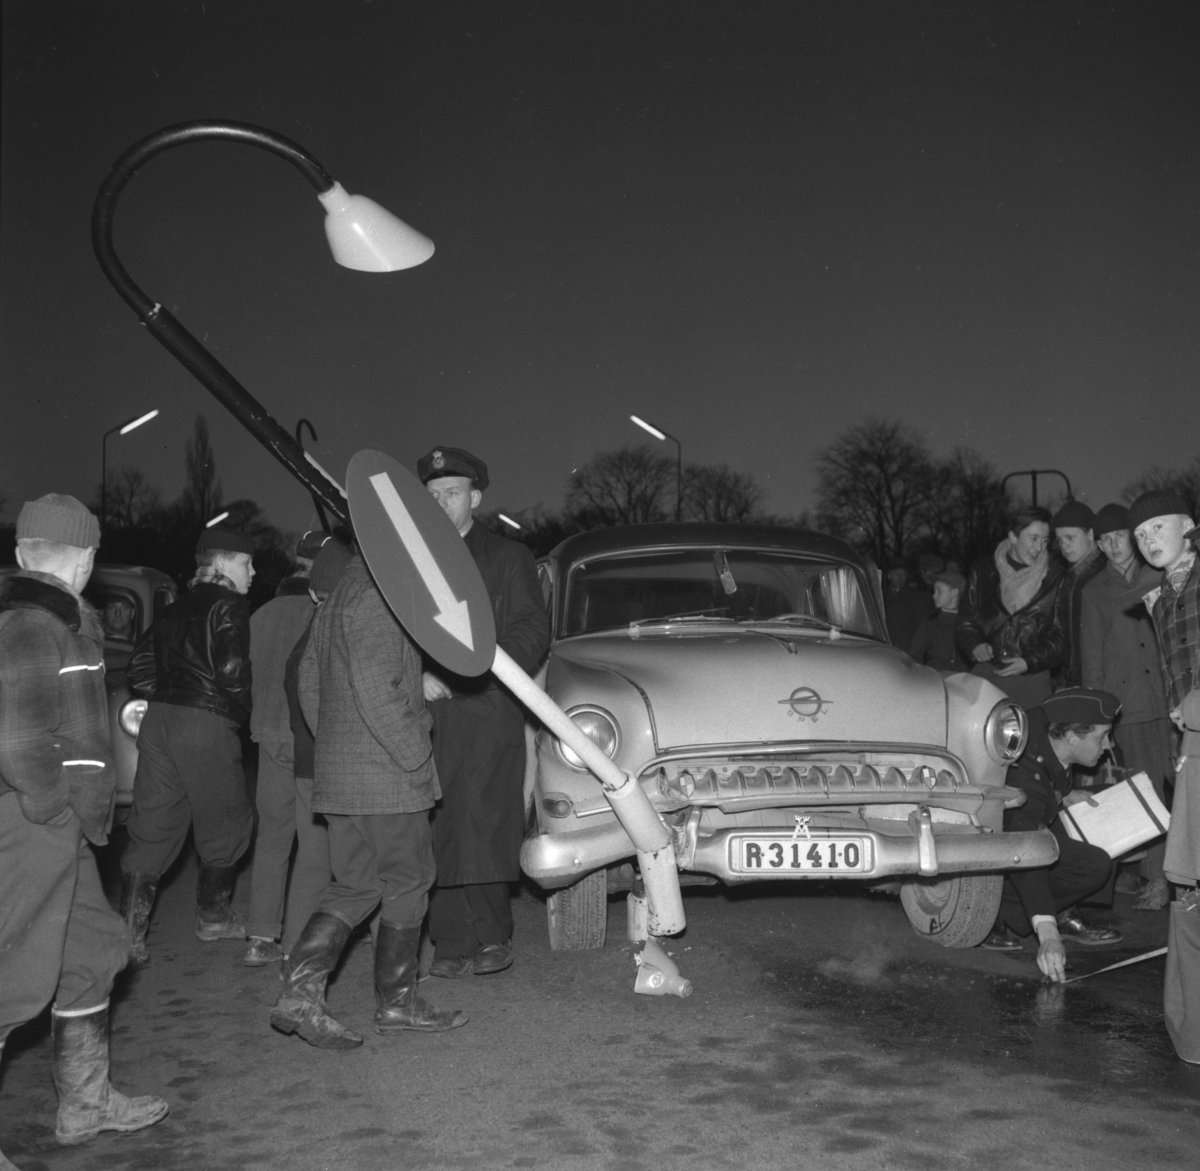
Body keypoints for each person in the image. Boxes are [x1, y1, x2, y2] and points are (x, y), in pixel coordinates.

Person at [0, 494, 168, 1154]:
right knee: (12, 977)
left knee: (95, 950)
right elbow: (16, 739)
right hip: (29, 823)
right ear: (88, 559)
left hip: (57, 826)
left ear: (23, 554)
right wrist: (51, 808)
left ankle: (85, 1103)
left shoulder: (55, 621)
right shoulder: (31, 625)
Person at [270, 549, 466, 1048]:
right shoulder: (381, 596)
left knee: (355, 883)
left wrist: (337, 744)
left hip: (342, 770)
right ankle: (397, 1003)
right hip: (384, 774)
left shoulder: (336, 599)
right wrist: (415, 749)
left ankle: (300, 994)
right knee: (410, 877)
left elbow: (308, 682)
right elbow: (380, 689)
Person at [418, 446, 551, 979]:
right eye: (431, 496)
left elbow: (531, 629)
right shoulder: (412, 560)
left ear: (475, 497)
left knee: (488, 819)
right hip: (427, 713)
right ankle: (449, 941)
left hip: (488, 706)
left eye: (451, 493)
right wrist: (417, 676)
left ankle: (494, 936)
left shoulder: (507, 557)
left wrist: (476, 672)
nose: (441, 503)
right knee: (437, 822)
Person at [120, 526, 256, 965]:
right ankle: (213, 917)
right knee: (228, 818)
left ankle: (129, 935)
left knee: (153, 822)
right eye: (246, 563)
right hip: (204, 720)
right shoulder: (230, 603)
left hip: (160, 720)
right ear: (221, 566)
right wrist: (238, 709)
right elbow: (233, 666)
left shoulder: (174, 608)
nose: (252, 572)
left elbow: (138, 670)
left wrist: (170, 692)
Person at [981, 688, 1124, 979]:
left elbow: (1051, 775)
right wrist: (1048, 937)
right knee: (1093, 864)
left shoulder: (1047, 738)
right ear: (1071, 737)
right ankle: (989, 909)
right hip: (998, 841)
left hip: (1030, 817)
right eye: (1102, 736)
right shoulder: (1023, 775)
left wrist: (1065, 794)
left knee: (1107, 831)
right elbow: (1026, 848)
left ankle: (1057, 911)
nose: (1108, 745)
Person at [243, 530, 331, 967]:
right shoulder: (322, 611)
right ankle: (297, 942)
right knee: (315, 843)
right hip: (306, 741)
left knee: (273, 837)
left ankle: (260, 934)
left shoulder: (260, 614)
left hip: (265, 735)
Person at [1080, 502, 1174, 910]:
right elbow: (1092, 656)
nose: (1112, 545)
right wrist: (1096, 714)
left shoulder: (1161, 573)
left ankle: (1176, 871)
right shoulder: (1094, 591)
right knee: (1145, 790)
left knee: (1180, 785)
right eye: (1103, 539)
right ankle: (1155, 878)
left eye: (1119, 535)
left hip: (1170, 698)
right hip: (1128, 705)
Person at [1131, 490, 1200, 893]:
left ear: (1189, 528)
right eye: (1140, 535)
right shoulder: (1158, 598)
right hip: (1189, 737)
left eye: (1158, 526)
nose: (1149, 540)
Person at [956, 506, 1065, 707]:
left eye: (1044, 540)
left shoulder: (1055, 578)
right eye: (1033, 539)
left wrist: (1029, 661)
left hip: (1032, 681)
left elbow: (1062, 636)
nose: (1039, 548)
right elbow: (965, 621)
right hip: (987, 677)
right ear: (1013, 537)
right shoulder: (983, 570)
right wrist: (974, 645)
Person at [1051, 500, 1106, 688]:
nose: (1064, 546)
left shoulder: (1104, 574)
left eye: (1070, 538)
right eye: (1060, 540)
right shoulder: (1069, 579)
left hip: (1100, 680)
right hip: (1075, 679)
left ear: (1090, 534)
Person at [908, 570, 969, 672]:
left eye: (939, 591)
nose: (934, 595)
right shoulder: (929, 621)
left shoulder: (969, 622)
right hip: (936, 678)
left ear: (954, 593)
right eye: (934, 591)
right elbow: (914, 654)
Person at [883, 559, 930, 654]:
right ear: (889, 576)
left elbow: (922, 625)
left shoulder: (916, 597)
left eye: (903, 575)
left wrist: (914, 650)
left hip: (906, 650)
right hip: (885, 649)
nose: (900, 577)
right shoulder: (880, 596)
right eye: (897, 574)